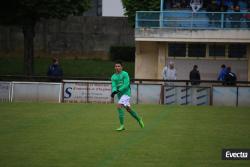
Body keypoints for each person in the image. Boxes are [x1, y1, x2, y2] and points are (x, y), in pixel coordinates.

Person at [111, 61, 144, 131]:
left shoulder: (125, 74)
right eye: (116, 66)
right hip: (120, 95)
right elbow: (113, 85)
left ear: (122, 67)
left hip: (126, 93)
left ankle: (122, 125)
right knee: (128, 109)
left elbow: (126, 84)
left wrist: (118, 90)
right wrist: (113, 91)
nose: (117, 67)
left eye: (118, 66)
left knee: (119, 106)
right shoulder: (113, 76)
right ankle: (139, 119)